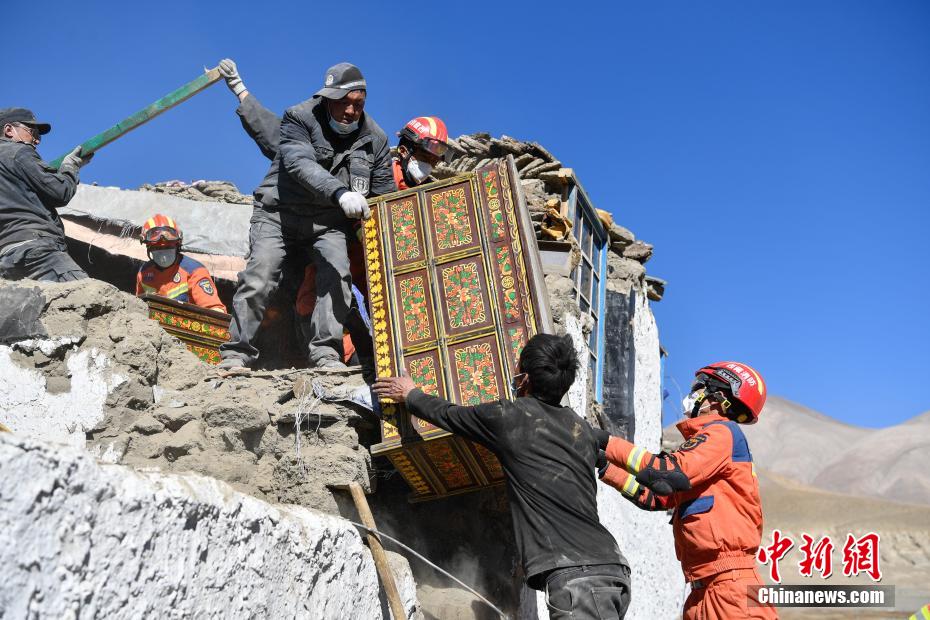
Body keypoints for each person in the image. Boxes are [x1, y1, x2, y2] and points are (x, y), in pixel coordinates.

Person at [373, 334, 631, 619]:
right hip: (610, 570)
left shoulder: (511, 418)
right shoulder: (579, 429)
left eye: (518, 366)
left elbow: (449, 415)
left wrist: (410, 394)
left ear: (526, 378)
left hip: (579, 579)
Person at [217, 61, 395, 371]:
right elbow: (299, 163)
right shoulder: (299, 117)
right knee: (261, 274)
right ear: (327, 99)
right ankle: (236, 353)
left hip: (327, 223)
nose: (351, 111)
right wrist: (341, 193)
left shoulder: (375, 140)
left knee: (337, 273)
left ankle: (326, 354)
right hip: (279, 214)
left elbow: (385, 196)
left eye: (358, 104)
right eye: (343, 102)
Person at [595, 362, 777, 620]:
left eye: (699, 388)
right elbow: (657, 497)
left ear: (718, 398)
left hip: (730, 590)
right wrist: (605, 466)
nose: (692, 394)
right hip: (704, 589)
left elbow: (665, 471)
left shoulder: (721, 434)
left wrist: (605, 441)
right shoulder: (709, 450)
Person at [0, 107, 93, 282]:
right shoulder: (18, 152)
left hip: (6, 259)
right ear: (9, 130)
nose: (36, 140)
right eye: (32, 132)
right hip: (36, 250)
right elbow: (60, 191)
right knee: (91, 295)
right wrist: (70, 166)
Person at [135, 214, 226, 312]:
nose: (163, 255)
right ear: (148, 247)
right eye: (157, 248)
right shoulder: (143, 273)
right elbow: (138, 306)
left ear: (177, 245)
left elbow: (216, 311)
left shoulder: (195, 271)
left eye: (168, 247)